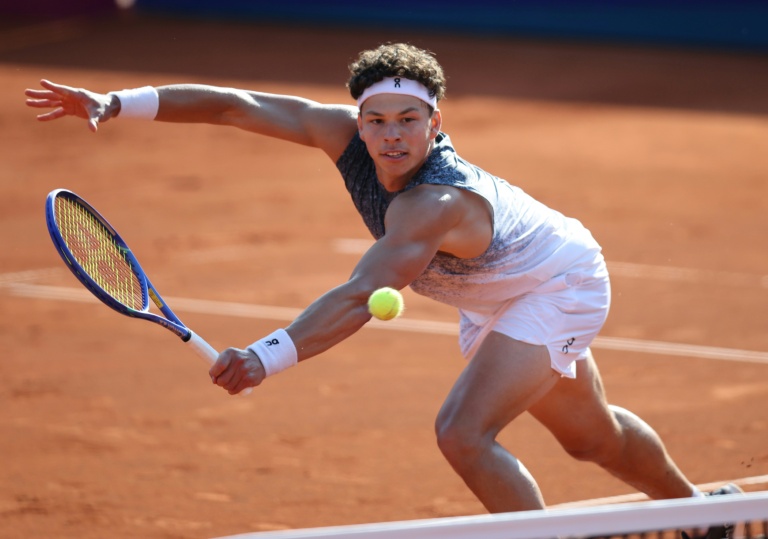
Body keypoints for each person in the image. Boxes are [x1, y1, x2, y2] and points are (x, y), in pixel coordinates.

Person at [25, 43, 740, 521]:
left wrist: (265, 355)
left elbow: (358, 296)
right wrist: (116, 102)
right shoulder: (342, 135)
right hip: (500, 290)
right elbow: (234, 105)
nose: (391, 135)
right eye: (377, 120)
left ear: (436, 122)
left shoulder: (434, 203)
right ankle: (706, 516)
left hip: (558, 283)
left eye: (409, 120)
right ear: (358, 121)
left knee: (463, 433)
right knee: (594, 440)